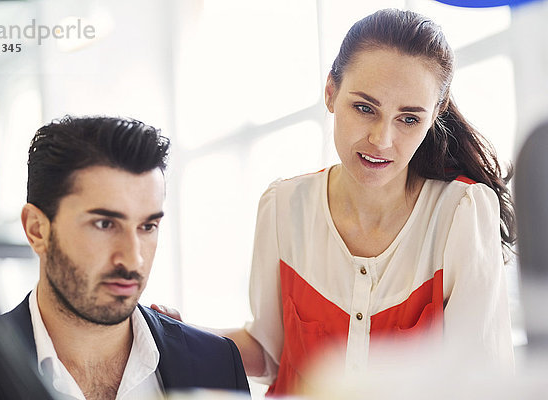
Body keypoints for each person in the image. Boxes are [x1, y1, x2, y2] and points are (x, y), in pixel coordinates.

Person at [154, 8, 516, 396]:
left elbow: (482, 380)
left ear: (435, 115)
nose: (381, 139)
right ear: (331, 92)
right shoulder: (283, 205)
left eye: (408, 119)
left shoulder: (460, 212)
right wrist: (180, 336)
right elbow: (270, 354)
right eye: (364, 108)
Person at [0, 116, 250, 399]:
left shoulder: (218, 364)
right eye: (105, 224)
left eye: (147, 226)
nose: (133, 260)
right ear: (37, 230)